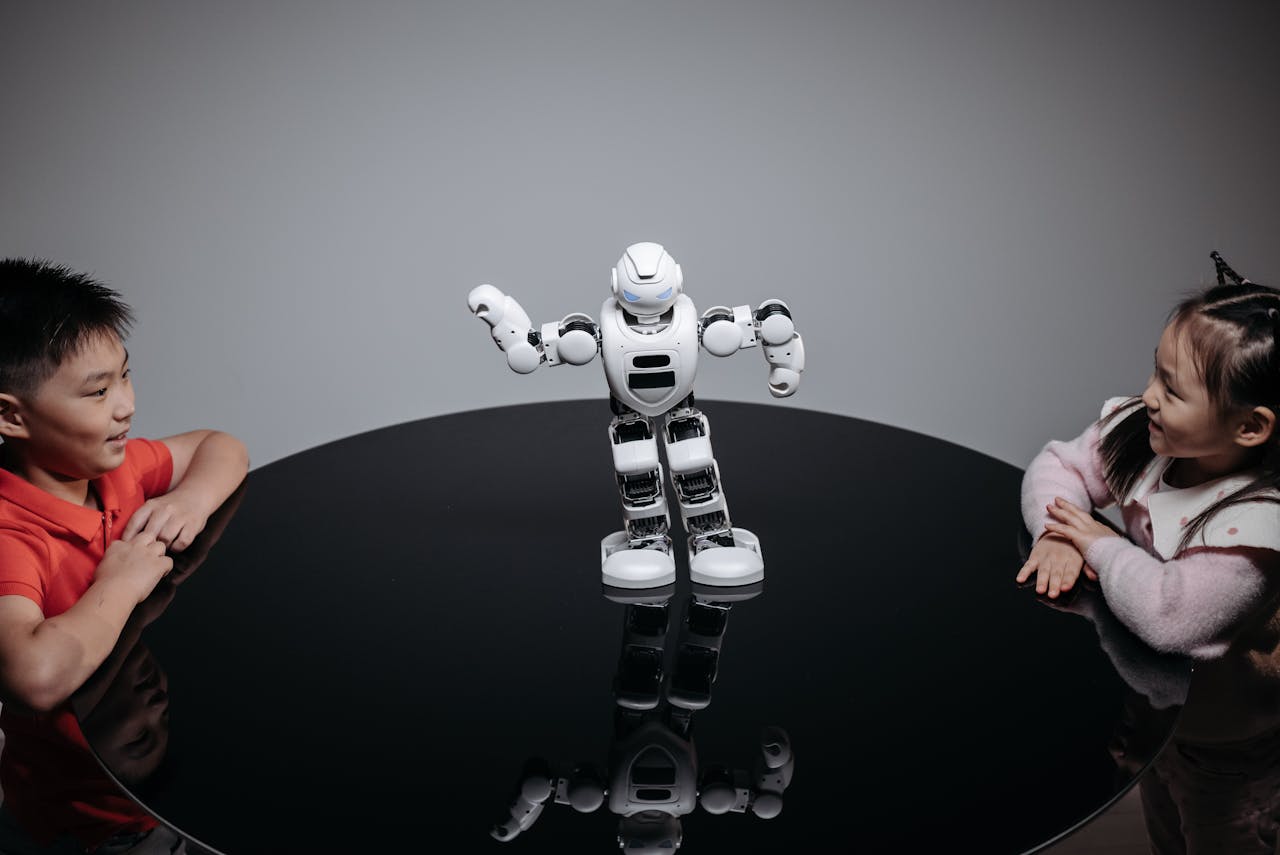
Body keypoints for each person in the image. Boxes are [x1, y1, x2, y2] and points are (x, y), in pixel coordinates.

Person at [1016, 263, 1280, 854]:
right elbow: (1058, 465)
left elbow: (1171, 616)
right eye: (1156, 371)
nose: (1151, 396)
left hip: (1230, 740)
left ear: (1250, 426)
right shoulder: (1152, 436)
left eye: (1174, 390)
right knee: (1162, 825)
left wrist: (1097, 542)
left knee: (1223, 837)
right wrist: (1057, 532)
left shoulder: (1257, 526)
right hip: (1161, 708)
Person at [0, 258, 249, 854]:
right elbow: (34, 677)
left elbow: (221, 445)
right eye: (98, 392)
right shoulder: (11, 534)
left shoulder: (114, 469)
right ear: (10, 415)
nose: (126, 406)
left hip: (152, 775)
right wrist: (121, 583)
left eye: (125, 377)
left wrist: (189, 500)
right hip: (88, 820)